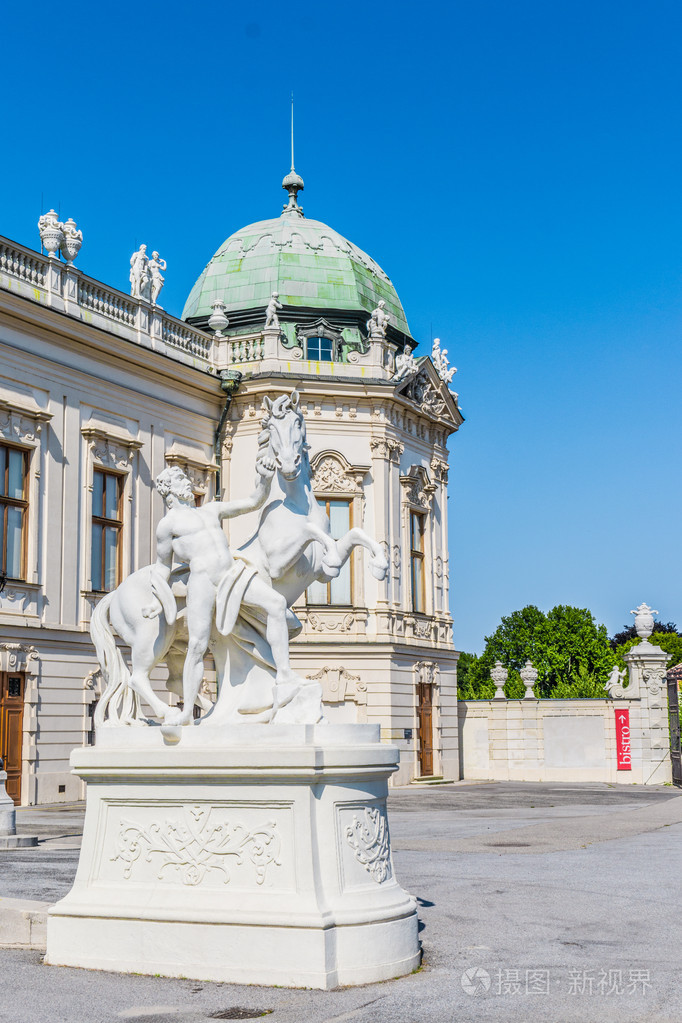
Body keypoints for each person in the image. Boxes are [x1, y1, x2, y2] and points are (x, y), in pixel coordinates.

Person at [151, 461, 299, 727]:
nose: (188, 482)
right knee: (197, 646)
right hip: (203, 582)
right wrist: (157, 599)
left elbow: (254, 501)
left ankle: (285, 677)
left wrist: (264, 478)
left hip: (232, 574)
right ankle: (186, 713)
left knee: (276, 604)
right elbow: (162, 568)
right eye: (181, 480)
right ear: (169, 490)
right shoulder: (167, 525)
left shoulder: (210, 510)